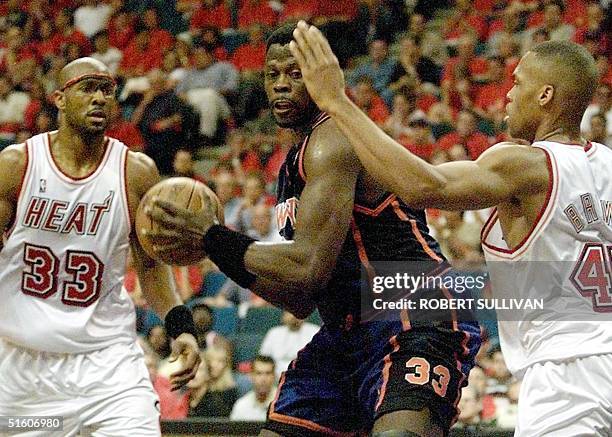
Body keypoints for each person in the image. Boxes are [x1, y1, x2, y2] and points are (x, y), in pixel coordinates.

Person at [147, 24, 481, 436]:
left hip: (414, 312)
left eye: (295, 72)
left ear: (322, 75)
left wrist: (213, 238)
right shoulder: (293, 166)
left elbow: (307, 265)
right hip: (345, 332)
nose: (282, 85)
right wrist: (216, 247)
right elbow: (300, 296)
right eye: (273, 75)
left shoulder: (334, 139)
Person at [288, 21, 612, 435]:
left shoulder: (525, 164)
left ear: (545, 95)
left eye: (517, 82)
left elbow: (422, 186)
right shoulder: (605, 163)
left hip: (566, 372)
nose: (508, 95)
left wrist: (338, 102)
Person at [0, 57, 200, 436]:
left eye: (107, 91)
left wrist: (182, 327)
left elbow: (151, 267)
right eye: (87, 88)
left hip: (108, 367)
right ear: (59, 98)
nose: (100, 99)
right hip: (23, 373)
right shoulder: (16, 166)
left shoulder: (135, 172)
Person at [230, 355, 277, 421]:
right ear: (251, 376)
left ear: (274, 376)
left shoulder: (285, 405)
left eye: (268, 373)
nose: (263, 379)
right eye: (259, 373)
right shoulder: (241, 406)